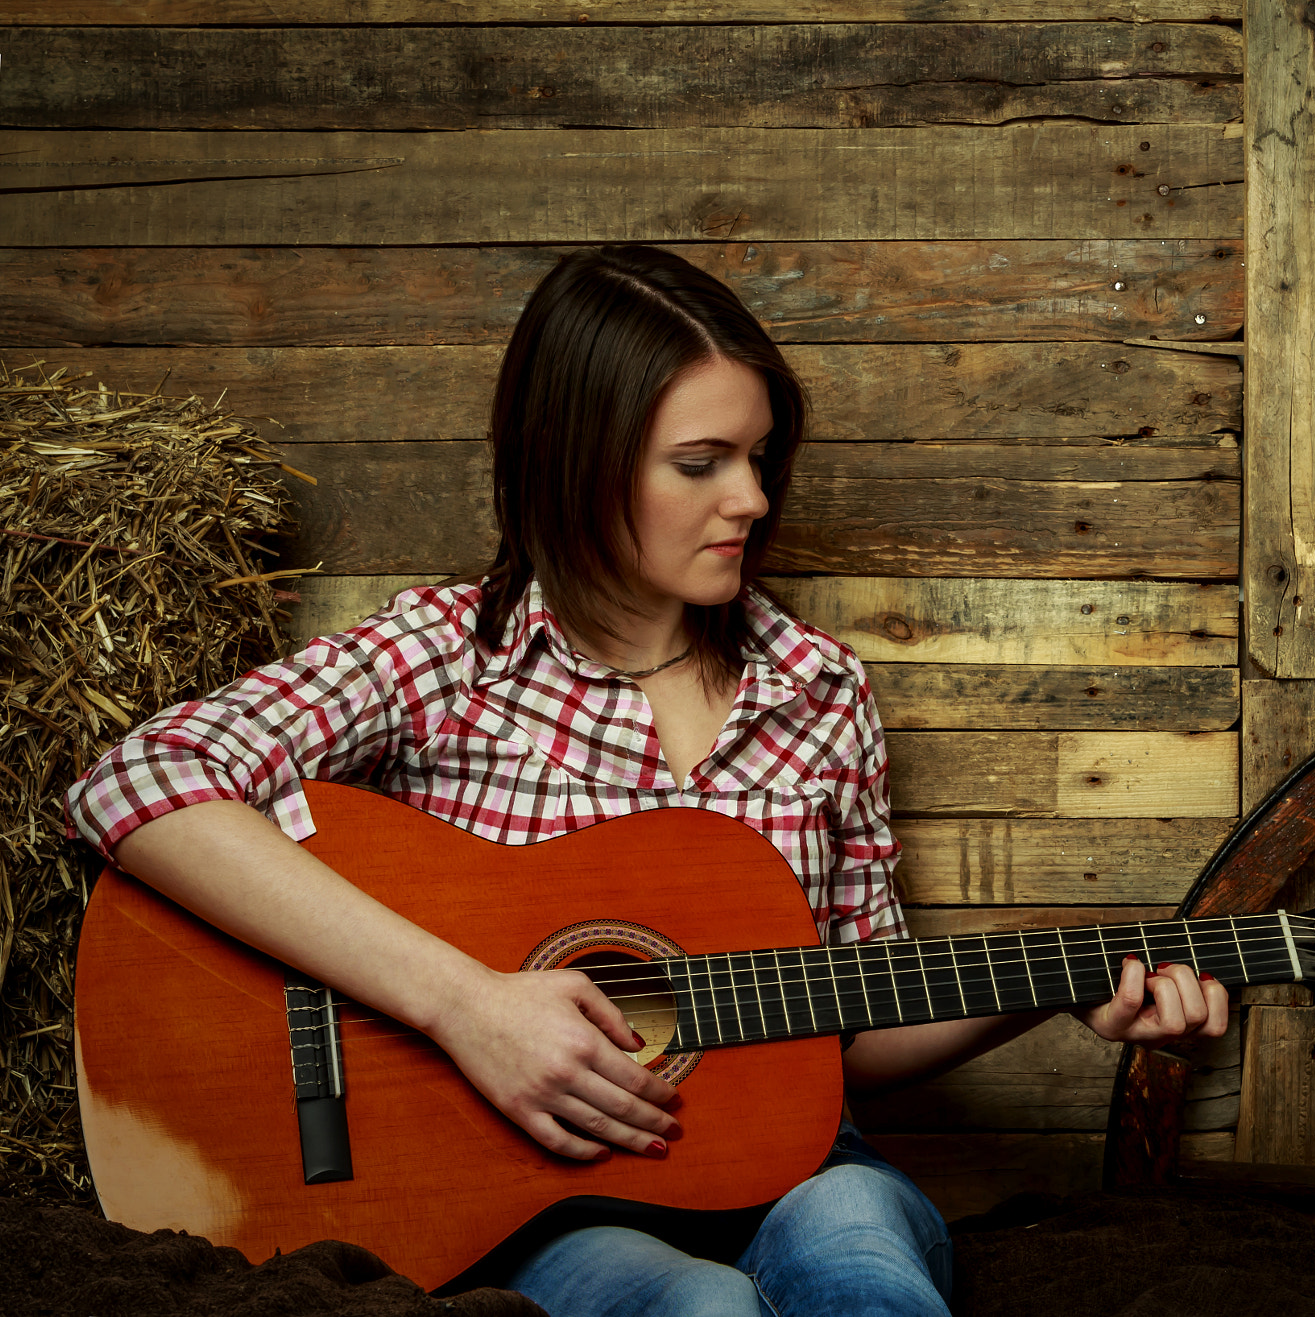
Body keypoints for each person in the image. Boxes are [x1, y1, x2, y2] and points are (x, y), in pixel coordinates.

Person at [65, 244, 1230, 1317]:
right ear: (576, 460)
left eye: (760, 457)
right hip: (535, 1189)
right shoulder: (446, 655)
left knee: (857, 1251)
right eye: (700, 463)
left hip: (793, 1161)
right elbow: (135, 779)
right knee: (697, 1308)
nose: (754, 500)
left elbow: (850, 1019)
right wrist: (465, 1005)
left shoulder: (820, 689)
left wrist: (1058, 965)